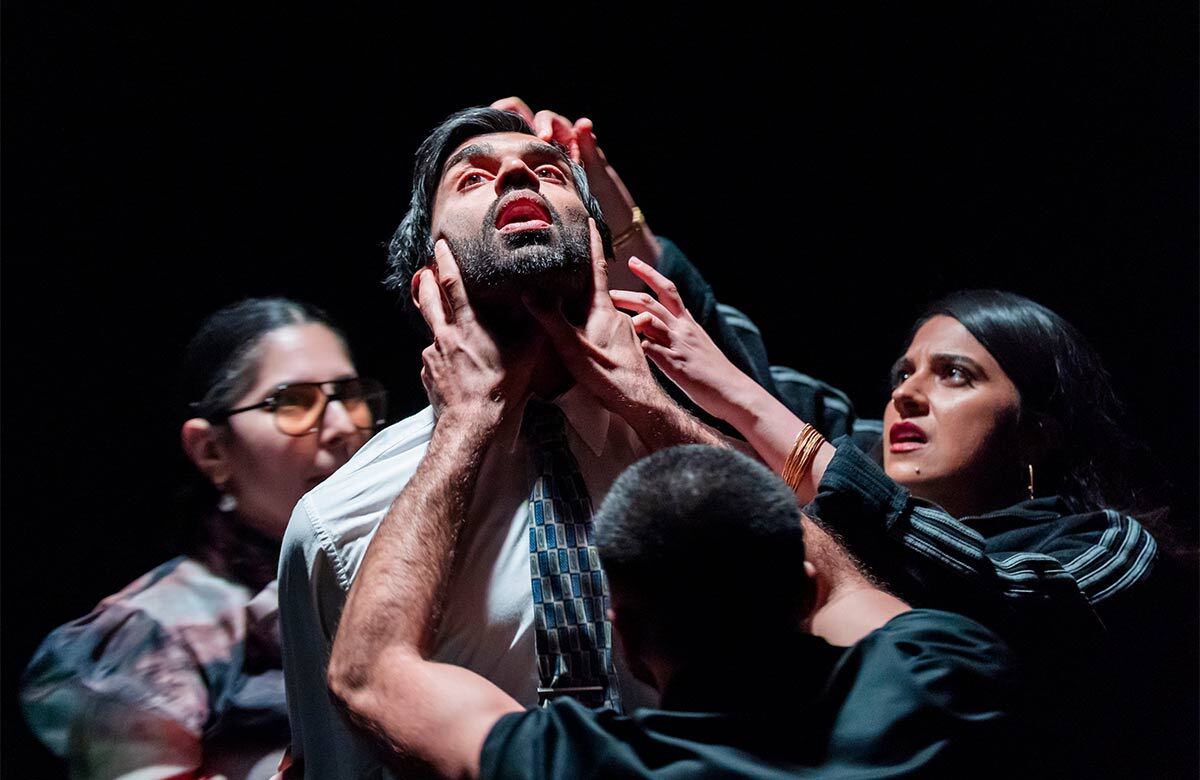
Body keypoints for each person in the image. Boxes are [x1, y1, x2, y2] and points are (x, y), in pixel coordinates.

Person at [278, 106, 790, 778]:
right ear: (428, 278)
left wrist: (648, 403)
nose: (519, 172)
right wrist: (468, 422)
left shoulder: (691, 456)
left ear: (601, 249)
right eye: (471, 180)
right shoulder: (335, 527)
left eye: (548, 172)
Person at [327, 443, 1018, 778]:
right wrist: (651, 401)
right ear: (804, 591)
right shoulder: (941, 678)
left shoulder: (587, 765)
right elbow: (851, 593)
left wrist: (467, 416)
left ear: (621, 637)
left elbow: (369, 671)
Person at [21, 298, 386, 780]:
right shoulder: (153, 631)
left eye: (349, 394)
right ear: (212, 450)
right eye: (293, 402)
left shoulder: (399, 573)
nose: (343, 427)